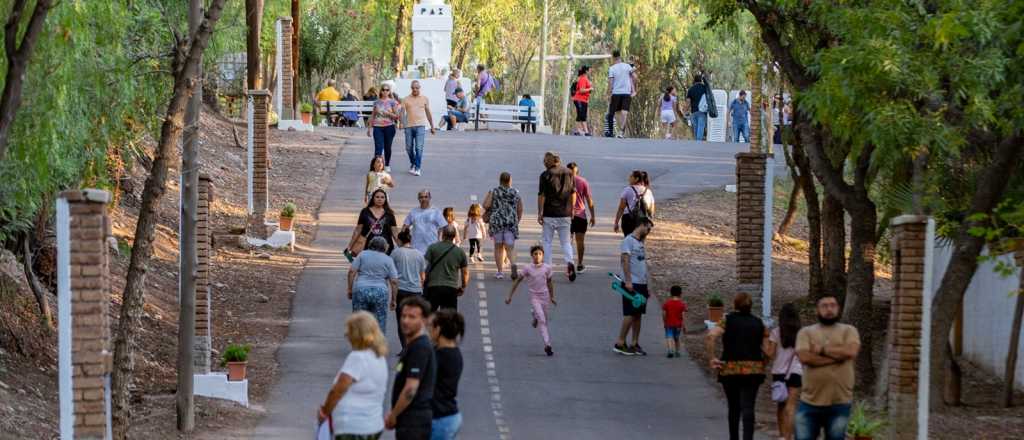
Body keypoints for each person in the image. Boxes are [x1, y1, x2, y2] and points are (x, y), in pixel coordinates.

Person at [704, 292, 771, 440]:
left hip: (730, 370)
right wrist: (763, 365)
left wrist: (712, 358)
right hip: (753, 371)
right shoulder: (759, 323)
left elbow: (710, 336)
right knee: (749, 407)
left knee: (734, 407)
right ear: (750, 306)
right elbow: (768, 351)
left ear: (735, 305)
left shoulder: (727, 320)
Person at [794, 295, 861, 440]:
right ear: (817, 310)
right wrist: (838, 358)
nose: (829, 309)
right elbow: (805, 357)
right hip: (810, 402)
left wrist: (821, 350)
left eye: (832, 305)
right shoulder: (806, 332)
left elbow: (851, 352)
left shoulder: (849, 331)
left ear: (838, 308)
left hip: (840, 402)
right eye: (824, 306)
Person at [318, 311, 389, 440]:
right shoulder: (380, 357)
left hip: (352, 426)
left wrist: (324, 412)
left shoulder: (357, 358)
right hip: (373, 424)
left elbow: (338, 390)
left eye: (349, 330)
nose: (347, 335)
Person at [386, 296, 436, 440]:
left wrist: (393, 414)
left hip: (414, 422)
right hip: (408, 421)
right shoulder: (413, 346)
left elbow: (410, 389)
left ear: (425, 320)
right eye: (404, 316)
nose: (406, 321)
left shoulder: (420, 348)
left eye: (412, 317)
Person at [505, 245, 557, 356]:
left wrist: (552, 297)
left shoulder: (547, 268)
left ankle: (534, 315)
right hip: (535, 297)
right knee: (542, 320)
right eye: (535, 254)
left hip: (545, 297)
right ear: (531, 256)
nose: (537, 256)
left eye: (540, 254)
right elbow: (517, 281)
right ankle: (547, 345)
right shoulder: (527, 268)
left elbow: (550, 283)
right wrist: (510, 296)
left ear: (543, 256)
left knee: (543, 318)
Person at [613, 218, 654, 356]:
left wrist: (646, 285)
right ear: (641, 225)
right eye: (648, 228)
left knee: (638, 314)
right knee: (630, 313)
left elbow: (642, 264)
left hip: (641, 283)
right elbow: (625, 260)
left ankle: (635, 343)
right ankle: (620, 342)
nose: (648, 232)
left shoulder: (640, 243)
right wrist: (628, 281)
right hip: (632, 283)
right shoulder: (628, 241)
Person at [537, 152, 577, 281]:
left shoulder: (545, 175)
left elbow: (541, 195)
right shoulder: (568, 173)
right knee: (565, 242)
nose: (544, 162)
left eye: (545, 160)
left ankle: (548, 269)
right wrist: (572, 209)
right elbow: (573, 193)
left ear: (551, 161)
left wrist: (540, 212)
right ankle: (570, 261)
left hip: (549, 213)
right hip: (565, 213)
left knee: (547, 242)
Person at [348, 237, 399, 334]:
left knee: (359, 320)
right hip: (380, 292)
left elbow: (351, 272)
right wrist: (393, 299)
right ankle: (377, 346)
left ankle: (359, 346)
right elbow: (394, 281)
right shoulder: (388, 259)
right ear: (384, 247)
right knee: (380, 320)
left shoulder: (362, 255)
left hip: (361, 290)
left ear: (371, 245)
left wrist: (350, 289)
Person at [767, 303, 804, 440]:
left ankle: (782, 435)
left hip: (778, 372)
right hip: (796, 372)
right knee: (791, 406)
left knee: (781, 405)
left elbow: (770, 354)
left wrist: (763, 344)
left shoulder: (776, 332)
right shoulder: (802, 333)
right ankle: (789, 437)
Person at [429, 309, 465, 440]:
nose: (429, 331)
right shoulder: (455, 352)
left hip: (440, 418)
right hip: (449, 415)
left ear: (438, 329)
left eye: (431, 327)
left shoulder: (440, 356)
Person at [482, 172, 523, 280]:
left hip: (497, 223)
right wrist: (516, 220)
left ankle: (500, 272)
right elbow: (520, 208)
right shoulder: (515, 192)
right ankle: (513, 264)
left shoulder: (494, 191)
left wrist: (490, 196)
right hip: (510, 222)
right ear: (510, 180)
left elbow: (485, 205)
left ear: (500, 180)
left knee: (498, 247)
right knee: (510, 247)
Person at [392, 229, 427, 350]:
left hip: (401, 290)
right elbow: (423, 275)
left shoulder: (396, 253)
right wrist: (421, 286)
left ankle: (405, 347)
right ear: (410, 240)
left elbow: (393, 276)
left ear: (400, 240)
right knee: (416, 319)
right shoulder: (419, 254)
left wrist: (392, 298)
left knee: (402, 320)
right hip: (416, 291)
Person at [423, 226, 469, 312]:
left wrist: (422, 282)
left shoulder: (433, 248)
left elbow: (424, 267)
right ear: (454, 236)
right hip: (450, 288)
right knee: (449, 319)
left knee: (429, 317)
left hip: (433, 287)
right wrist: (463, 286)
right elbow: (465, 272)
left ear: (443, 235)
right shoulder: (460, 252)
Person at [345, 189, 399, 260]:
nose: (380, 199)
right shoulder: (365, 212)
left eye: (382, 197)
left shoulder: (389, 214)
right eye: (377, 197)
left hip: (385, 247)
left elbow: (395, 232)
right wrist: (350, 246)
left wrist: (402, 246)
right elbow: (357, 231)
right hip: (368, 247)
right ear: (373, 198)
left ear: (385, 199)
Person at [565, 163, 595, 273]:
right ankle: (580, 264)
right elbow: (589, 200)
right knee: (580, 241)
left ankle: (570, 263)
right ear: (577, 171)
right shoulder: (583, 181)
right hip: (580, 215)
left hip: (566, 215)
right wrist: (593, 215)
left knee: (567, 242)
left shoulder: (564, 181)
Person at [402, 80, 436, 176]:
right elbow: (402, 112)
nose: (415, 89)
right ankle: (413, 163)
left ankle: (417, 167)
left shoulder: (424, 99)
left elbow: (428, 112)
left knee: (418, 148)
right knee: (408, 147)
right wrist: (402, 123)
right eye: (413, 88)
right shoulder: (405, 99)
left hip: (420, 126)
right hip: (408, 126)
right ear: (411, 88)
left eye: (416, 88)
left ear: (419, 88)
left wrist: (432, 126)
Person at [367, 85, 401, 171]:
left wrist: (388, 113)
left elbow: (397, 116)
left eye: (387, 90)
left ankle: (387, 164)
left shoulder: (393, 102)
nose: (385, 91)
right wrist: (369, 128)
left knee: (387, 147)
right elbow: (373, 116)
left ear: (389, 91)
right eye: (383, 90)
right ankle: (377, 167)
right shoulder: (376, 102)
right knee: (378, 147)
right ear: (381, 91)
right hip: (378, 127)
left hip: (389, 127)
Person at [404, 190, 449, 254]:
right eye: (421, 197)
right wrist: (405, 242)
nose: (423, 199)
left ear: (430, 198)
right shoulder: (413, 212)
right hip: (416, 248)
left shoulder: (436, 211)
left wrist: (440, 240)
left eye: (426, 197)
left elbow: (444, 227)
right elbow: (405, 226)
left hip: (432, 248)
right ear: (418, 199)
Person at [613, 170, 655, 237]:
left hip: (628, 219)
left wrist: (616, 223)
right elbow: (652, 210)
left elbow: (621, 208)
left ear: (636, 179)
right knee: (639, 242)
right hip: (643, 221)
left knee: (629, 241)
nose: (629, 178)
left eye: (631, 176)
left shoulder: (627, 190)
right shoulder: (648, 192)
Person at [608, 50, 637, 138]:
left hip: (618, 93)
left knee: (619, 113)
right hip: (624, 93)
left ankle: (621, 131)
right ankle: (621, 130)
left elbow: (610, 82)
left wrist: (609, 93)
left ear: (613, 58)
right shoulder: (627, 66)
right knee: (622, 113)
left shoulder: (612, 68)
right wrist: (634, 88)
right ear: (620, 57)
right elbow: (635, 77)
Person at [662, 285, 687, 358]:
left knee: (669, 337)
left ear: (670, 293)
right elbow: (683, 316)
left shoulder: (667, 303)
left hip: (669, 324)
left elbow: (664, 314)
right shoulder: (682, 304)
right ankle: (678, 351)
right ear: (680, 294)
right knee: (677, 338)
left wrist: (664, 321)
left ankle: (670, 350)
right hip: (678, 325)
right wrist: (684, 325)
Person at [686, 74, 710, 141]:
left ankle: (697, 142)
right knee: (701, 127)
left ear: (694, 80)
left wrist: (686, 110)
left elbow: (688, 101)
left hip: (694, 111)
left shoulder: (691, 89)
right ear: (701, 80)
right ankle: (698, 143)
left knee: (696, 128)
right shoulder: (704, 88)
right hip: (703, 111)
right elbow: (709, 98)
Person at [571, 65, 593, 136]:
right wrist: (590, 89)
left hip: (583, 100)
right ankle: (586, 132)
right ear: (586, 71)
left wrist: (589, 89)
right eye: (590, 70)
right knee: (582, 115)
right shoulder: (583, 78)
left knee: (580, 115)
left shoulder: (584, 78)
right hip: (579, 99)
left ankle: (577, 131)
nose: (590, 71)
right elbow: (581, 90)